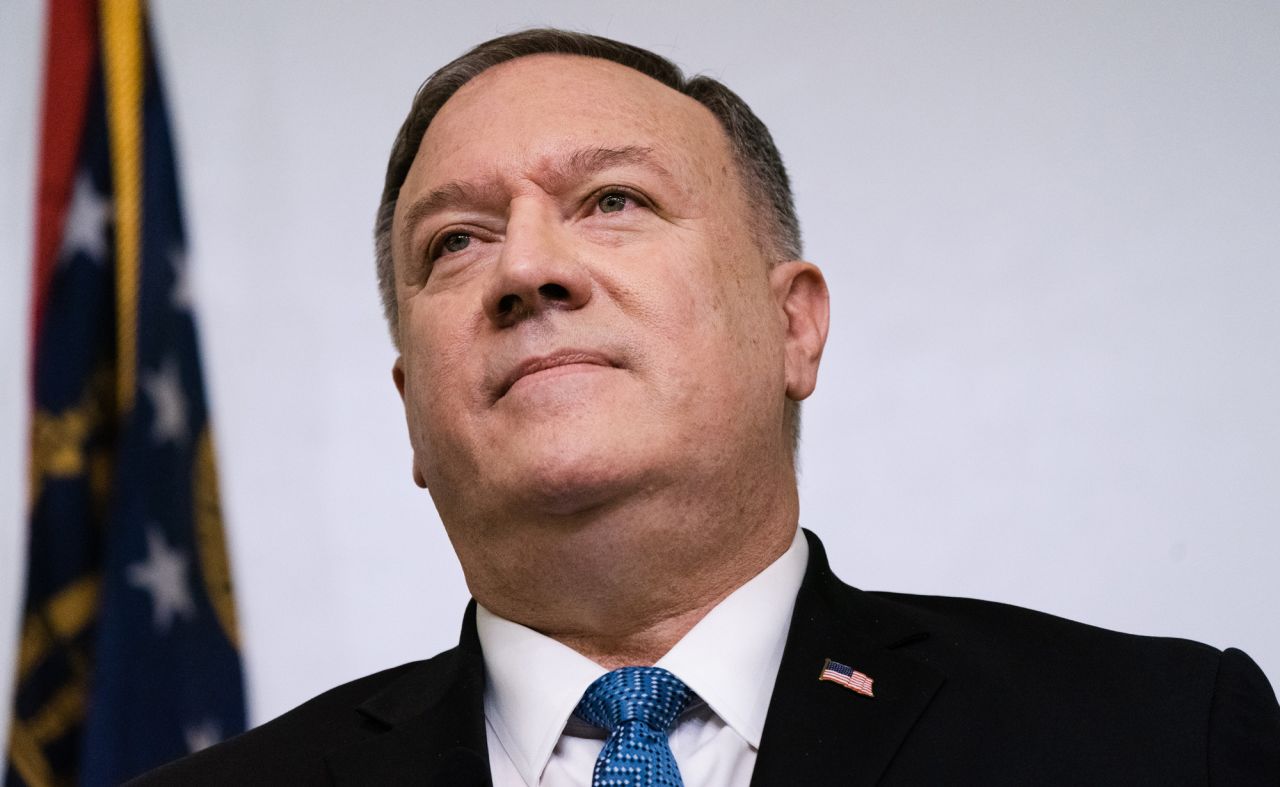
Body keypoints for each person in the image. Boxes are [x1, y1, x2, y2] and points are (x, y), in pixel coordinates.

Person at [132, 28, 1279, 786]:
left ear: (794, 325)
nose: (528, 268)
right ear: (411, 411)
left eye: (612, 199)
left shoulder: (1164, 739)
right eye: (456, 241)